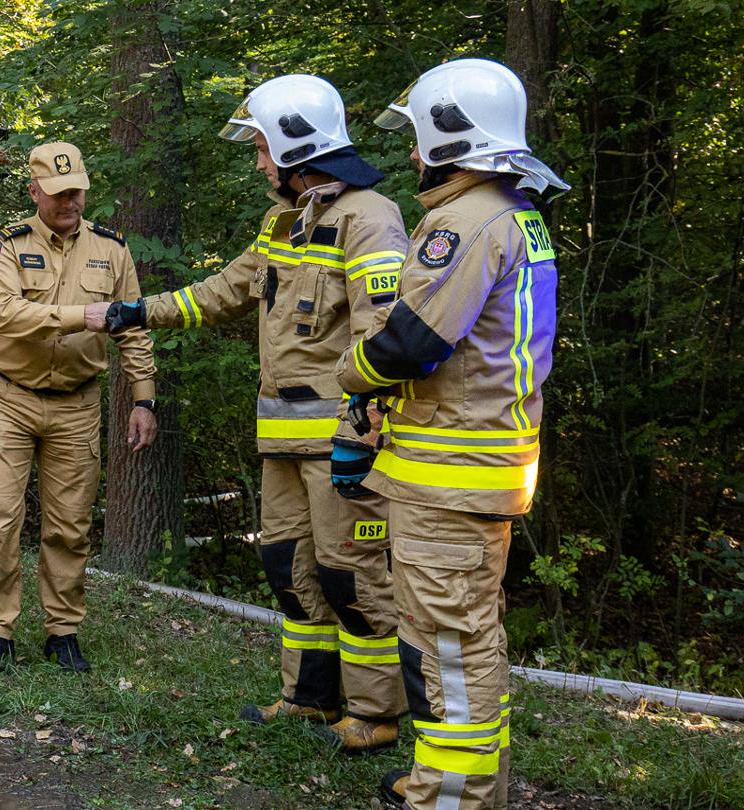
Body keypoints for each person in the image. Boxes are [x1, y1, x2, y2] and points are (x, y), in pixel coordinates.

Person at [105, 74, 410, 752]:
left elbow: (384, 335)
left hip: (342, 445)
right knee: (288, 567)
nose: (259, 163)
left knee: (349, 576)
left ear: (301, 149)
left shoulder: (370, 218)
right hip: (282, 443)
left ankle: (375, 715)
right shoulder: (284, 223)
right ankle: (307, 698)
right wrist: (138, 312)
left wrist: (365, 433)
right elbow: (223, 292)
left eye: (265, 149)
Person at [334, 58, 567, 810]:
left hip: (451, 473)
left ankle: (453, 798)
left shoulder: (462, 221)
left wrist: (353, 373)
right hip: (482, 462)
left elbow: (410, 343)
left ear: (450, 133)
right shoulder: (516, 212)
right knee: (467, 636)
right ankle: (459, 782)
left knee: (448, 648)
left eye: (419, 137)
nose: (410, 155)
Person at [0, 142, 158, 674]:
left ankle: (63, 629)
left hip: (77, 404)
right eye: (57, 193)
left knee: (70, 524)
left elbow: (133, 329)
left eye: (76, 191)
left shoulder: (111, 251)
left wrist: (143, 398)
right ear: (35, 192)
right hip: (10, 397)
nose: (70, 201)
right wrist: (84, 316)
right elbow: (6, 316)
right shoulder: (6, 246)